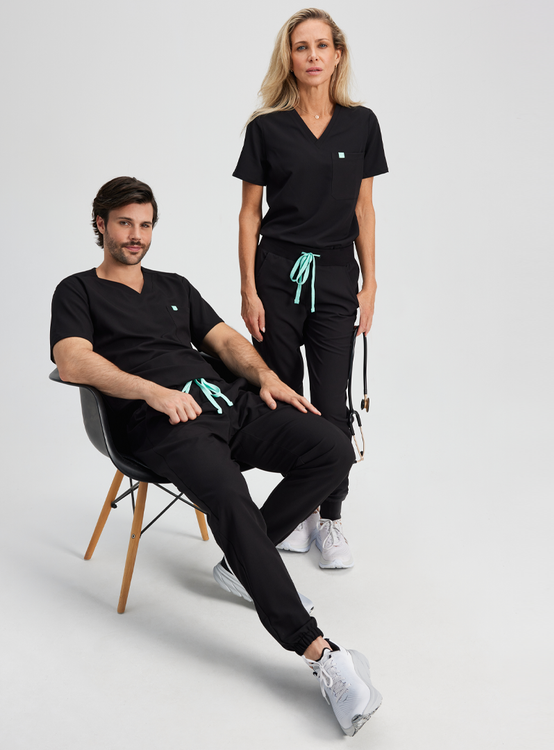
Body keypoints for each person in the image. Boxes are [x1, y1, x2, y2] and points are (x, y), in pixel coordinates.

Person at [50, 176, 382, 735]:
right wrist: (153, 392)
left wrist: (267, 378)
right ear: (101, 225)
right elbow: (72, 361)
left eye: (145, 224)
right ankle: (319, 652)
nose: (136, 235)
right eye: (125, 223)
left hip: (227, 404)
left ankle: (241, 563)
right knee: (230, 497)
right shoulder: (78, 291)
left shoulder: (173, 285)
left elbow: (226, 340)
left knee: (331, 447)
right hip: (161, 425)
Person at [233, 8, 388, 569]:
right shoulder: (266, 127)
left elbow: (364, 209)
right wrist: (249, 290)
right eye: (302, 47)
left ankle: (330, 516)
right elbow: (250, 215)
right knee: (282, 395)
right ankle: (296, 510)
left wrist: (371, 284)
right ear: (289, 58)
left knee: (331, 401)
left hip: (338, 277)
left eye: (323, 45)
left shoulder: (361, 123)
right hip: (277, 275)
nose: (313, 56)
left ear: (338, 55)